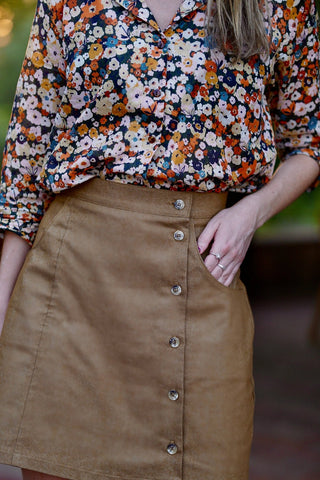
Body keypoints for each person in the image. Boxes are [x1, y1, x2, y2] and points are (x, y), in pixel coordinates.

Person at [0, 0, 319, 479]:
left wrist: (251, 212)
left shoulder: (281, 5)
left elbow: (310, 138)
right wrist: (1, 301)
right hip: (72, 288)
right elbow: (28, 154)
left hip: (202, 275)